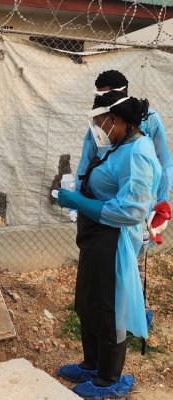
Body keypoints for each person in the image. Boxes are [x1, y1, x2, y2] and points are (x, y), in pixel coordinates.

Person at [56, 92, 161, 399]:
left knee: (108, 309)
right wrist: (80, 192)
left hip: (113, 240)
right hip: (95, 238)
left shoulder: (138, 153)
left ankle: (109, 379)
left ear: (117, 121)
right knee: (88, 302)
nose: (98, 130)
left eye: (101, 123)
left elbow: (131, 210)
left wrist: (80, 202)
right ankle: (91, 364)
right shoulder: (119, 146)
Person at [76, 70, 173, 206]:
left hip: (131, 204)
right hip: (101, 201)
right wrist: (77, 197)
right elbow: (87, 159)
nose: (99, 101)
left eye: (104, 96)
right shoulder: (100, 122)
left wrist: (162, 200)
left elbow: (163, 161)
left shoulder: (145, 131)